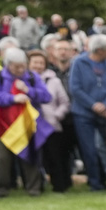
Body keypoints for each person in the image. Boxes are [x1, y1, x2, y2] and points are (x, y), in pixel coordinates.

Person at [0, 46, 50, 195]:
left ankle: (34, 189)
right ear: (8, 64)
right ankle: (1, 189)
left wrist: (29, 91)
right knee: (3, 158)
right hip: (3, 124)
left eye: (23, 66)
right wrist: (12, 98)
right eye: (17, 67)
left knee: (30, 156)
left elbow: (46, 96)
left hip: (26, 124)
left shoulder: (32, 77)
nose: (21, 69)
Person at [68, 36, 106, 191]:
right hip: (84, 113)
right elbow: (75, 88)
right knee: (89, 150)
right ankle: (96, 183)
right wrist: (93, 105)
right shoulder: (79, 63)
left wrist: (105, 105)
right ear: (100, 50)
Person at [28, 49, 71, 192]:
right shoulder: (23, 80)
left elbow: (64, 102)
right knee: (35, 158)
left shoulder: (54, 81)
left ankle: (59, 186)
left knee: (54, 157)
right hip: (31, 125)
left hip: (51, 125)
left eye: (41, 63)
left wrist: (56, 115)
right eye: (35, 62)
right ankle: (36, 186)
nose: (38, 66)